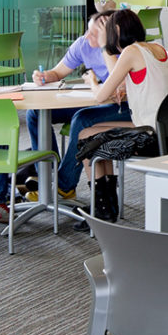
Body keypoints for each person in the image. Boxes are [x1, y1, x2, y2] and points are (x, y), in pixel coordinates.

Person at [73, 9, 168, 222]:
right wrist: (125, 89)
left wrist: (91, 81)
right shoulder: (157, 48)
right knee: (91, 135)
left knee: (85, 137)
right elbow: (149, 82)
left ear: (117, 31)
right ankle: (106, 208)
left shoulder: (131, 52)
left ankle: (103, 211)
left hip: (148, 137)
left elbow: (101, 96)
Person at [16, 10, 128, 203]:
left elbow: (120, 88)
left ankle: (64, 185)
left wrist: (104, 47)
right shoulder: (83, 44)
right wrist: (44, 76)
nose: (87, 36)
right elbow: (58, 72)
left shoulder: (121, 48)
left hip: (118, 106)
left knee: (82, 119)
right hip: (96, 101)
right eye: (88, 31)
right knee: (34, 114)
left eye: (94, 33)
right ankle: (49, 175)